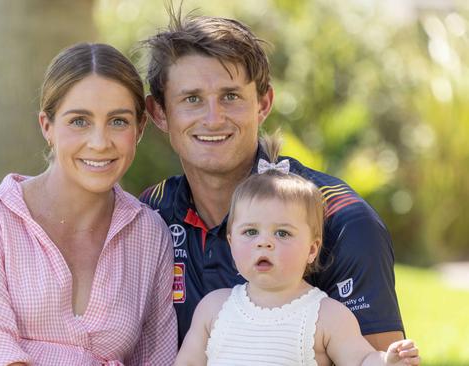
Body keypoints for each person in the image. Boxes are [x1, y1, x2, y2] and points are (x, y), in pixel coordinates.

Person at [139, 10, 404, 350]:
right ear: (159, 112)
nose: (213, 118)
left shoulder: (340, 219)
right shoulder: (149, 214)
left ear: (263, 103)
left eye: (230, 96)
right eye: (192, 99)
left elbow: (381, 357)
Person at [0, 43, 177, 365]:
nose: (100, 142)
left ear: (140, 128)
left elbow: (157, 356)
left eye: (118, 121)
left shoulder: (149, 234)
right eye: (79, 121)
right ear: (47, 126)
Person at [173, 134, 420, 365]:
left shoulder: (326, 315)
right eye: (250, 232)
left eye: (282, 233)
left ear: (312, 249)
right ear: (231, 242)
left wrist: (386, 360)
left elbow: (361, 359)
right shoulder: (214, 308)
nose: (264, 242)